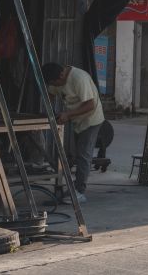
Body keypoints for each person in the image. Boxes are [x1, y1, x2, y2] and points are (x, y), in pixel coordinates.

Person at [42, 62, 105, 204]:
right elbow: (50, 93)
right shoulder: (55, 79)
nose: (56, 86)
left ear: (62, 75)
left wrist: (68, 115)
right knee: (79, 154)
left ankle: (80, 192)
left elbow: (90, 104)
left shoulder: (79, 78)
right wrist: (51, 111)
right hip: (77, 119)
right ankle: (75, 188)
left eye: (56, 83)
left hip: (91, 119)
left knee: (83, 155)